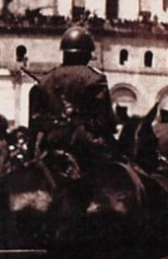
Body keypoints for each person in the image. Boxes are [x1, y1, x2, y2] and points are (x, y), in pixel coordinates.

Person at [32, 27, 116, 160]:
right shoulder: (95, 79)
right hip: (86, 148)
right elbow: (106, 120)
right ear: (87, 54)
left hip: (50, 145)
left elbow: (35, 124)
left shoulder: (45, 81)